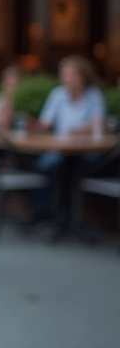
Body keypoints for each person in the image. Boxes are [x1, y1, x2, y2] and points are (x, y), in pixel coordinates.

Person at [29, 55, 107, 224]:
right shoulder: (58, 94)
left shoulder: (94, 96)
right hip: (60, 148)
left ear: (82, 76)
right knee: (46, 164)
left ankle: (65, 215)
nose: (66, 79)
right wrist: (35, 125)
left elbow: (97, 125)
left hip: (87, 150)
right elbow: (46, 123)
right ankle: (49, 213)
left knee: (63, 166)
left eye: (70, 74)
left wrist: (78, 131)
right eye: (63, 74)